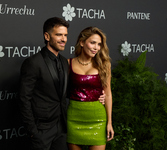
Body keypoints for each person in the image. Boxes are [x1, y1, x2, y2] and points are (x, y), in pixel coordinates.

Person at [18, 17, 105, 150]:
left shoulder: (65, 62)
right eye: (59, 35)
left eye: (65, 35)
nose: (64, 39)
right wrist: (33, 132)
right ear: (47, 36)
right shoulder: (33, 63)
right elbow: (24, 99)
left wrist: (97, 95)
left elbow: (69, 90)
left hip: (62, 128)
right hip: (42, 130)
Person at [66, 27, 114, 150]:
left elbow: (108, 94)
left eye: (99, 44)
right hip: (74, 118)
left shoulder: (104, 65)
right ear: (82, 43)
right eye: (92, 42)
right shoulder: (68, 63)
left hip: (98, 119)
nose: (96, 47)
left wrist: (109, 123)